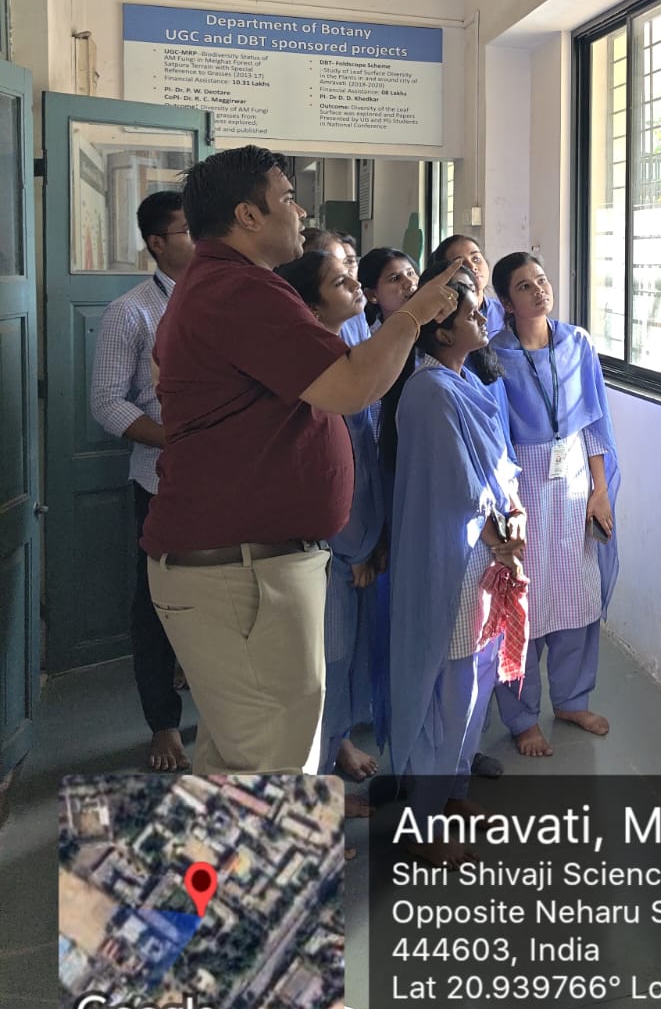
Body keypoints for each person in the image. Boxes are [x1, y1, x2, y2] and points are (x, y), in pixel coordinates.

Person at [142, 144, 463, 779]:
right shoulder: (239, 290)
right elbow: (350, 386)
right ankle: (260, 881)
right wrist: (419, 312)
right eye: (287, 197)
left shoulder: (225, 285)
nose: (300, 209)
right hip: (241, 572)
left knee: (238, 758)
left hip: (243, 565)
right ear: (248, 215)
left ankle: (215, 879)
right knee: (271, 764)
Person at [382, 270, 527, 858]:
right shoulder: (430, 391)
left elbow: (496, 468)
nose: (483, 321)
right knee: (451, 683)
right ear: (439, 332)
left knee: (480, 670)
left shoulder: (461, 381)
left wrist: (511, 523)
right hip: (457, 555)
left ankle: (454, 790)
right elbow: (462, 488)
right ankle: (424, 816)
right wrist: (501, 538)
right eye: (471, 316)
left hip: (486, 550)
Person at [489, 252, 619, 757]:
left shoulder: (577, 342)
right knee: (523, 602)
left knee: (577, 597)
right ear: (507, 301)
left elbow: (594, 421)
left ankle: (571, 698)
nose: (539, 290)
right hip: (523, 488)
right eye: (525, 286)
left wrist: (600, 489)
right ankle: (521, 717)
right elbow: (496, 436)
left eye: (541, 280)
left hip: (574, 489)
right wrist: (509, 505)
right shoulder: (494, 353)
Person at [89, 190, 195, 772]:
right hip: (160, 483)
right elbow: (106, 402)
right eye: (187, 232)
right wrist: (174, 439)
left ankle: (219, 712)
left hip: (229, 486)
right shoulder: (130, 311)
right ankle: (163, 723)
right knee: (154, 605)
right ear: (157, 243)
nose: (201, 241)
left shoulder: (226, 302)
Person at [275, 250, 385, 791]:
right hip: (326, 546)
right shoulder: (309, 364)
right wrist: (347, 547)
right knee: (322, 670)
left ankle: (333, 760)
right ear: (313, 304)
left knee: (345, 666)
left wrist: (371, 541)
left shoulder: (355, 340)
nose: (355, 284)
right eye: (340, 280)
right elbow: (320, 466)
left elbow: (366, 451)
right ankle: (316, 793)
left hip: (357, 538)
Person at [429, 234, 506, 336]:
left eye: (476, 259)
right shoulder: (442, 319)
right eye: (460, 264)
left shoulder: (506, 312)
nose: (472, 266)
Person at [359, 247, 420, 328]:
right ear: (372, 295)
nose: (410, 282)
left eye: (411, 273)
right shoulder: (372, 338)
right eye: (395, 278)